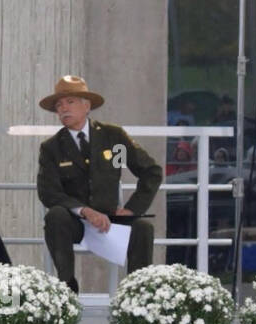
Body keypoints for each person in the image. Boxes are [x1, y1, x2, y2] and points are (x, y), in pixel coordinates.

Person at [36, 75, 163, 292]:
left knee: (143, 228)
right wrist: (85, 211)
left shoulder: (112, 138)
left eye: (70, 102)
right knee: (55, 216)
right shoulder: (52, 147)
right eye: (59, 105)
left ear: (87, 106)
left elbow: (150, 172)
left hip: (111, 219)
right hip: (74, 222)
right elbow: (49, 192)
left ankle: (138, 294)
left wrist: (132, 209)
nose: (63, 108)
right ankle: (67, 288)